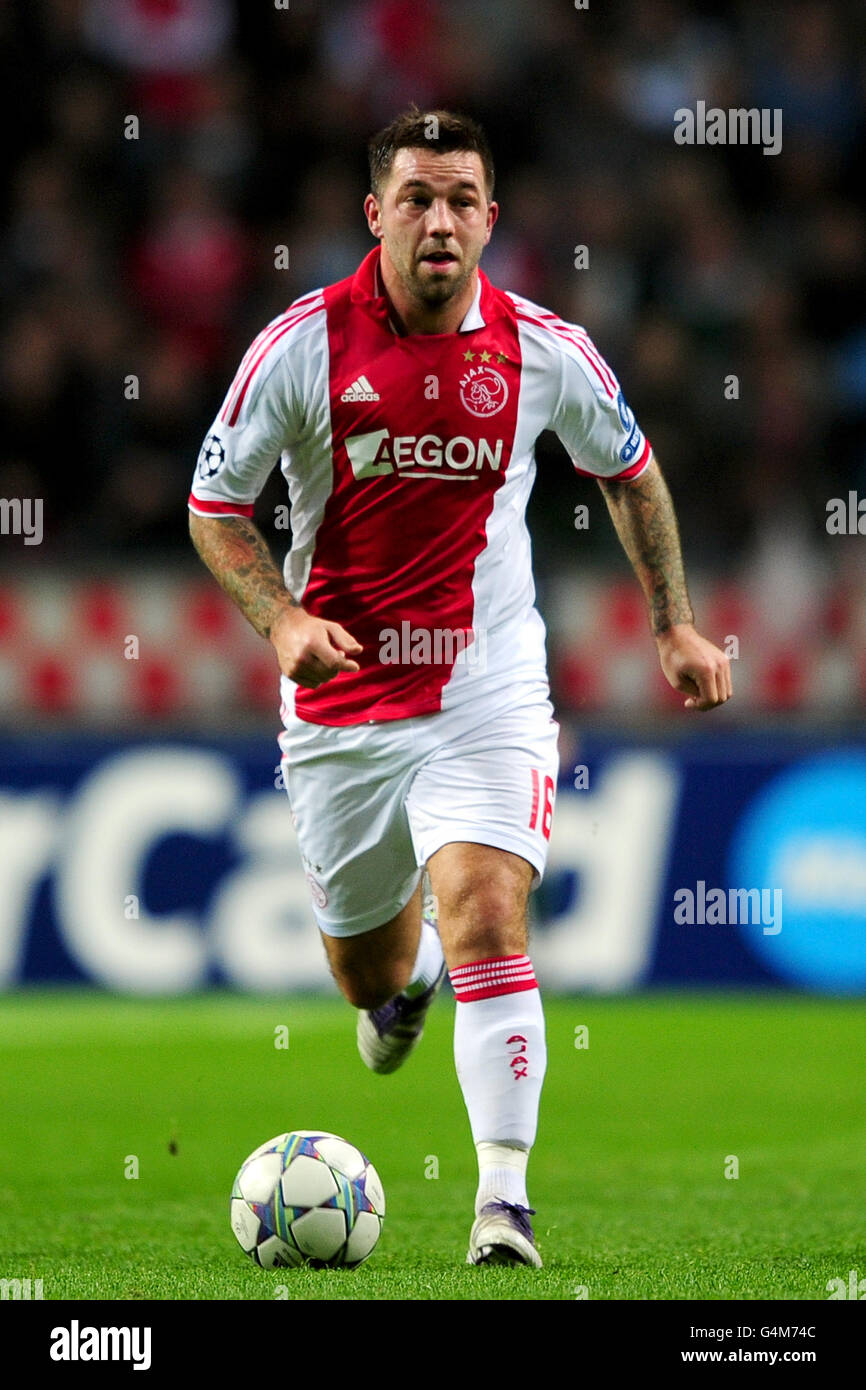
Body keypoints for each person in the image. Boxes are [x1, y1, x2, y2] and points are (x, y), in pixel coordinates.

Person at [188, 105, 732, 1268]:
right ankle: (408, 977)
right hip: (339, 710)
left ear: (490, 218)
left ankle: (502, 1207)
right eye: (416, 198)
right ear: (373, 212)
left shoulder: (544, 350)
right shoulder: (301, 345)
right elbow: (213, 506)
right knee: (365, 970)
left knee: (487, 905)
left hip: (485, 689)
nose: (439, 220)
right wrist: (279, 616)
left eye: (460, 201)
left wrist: (675, 626)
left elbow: (631, 475)